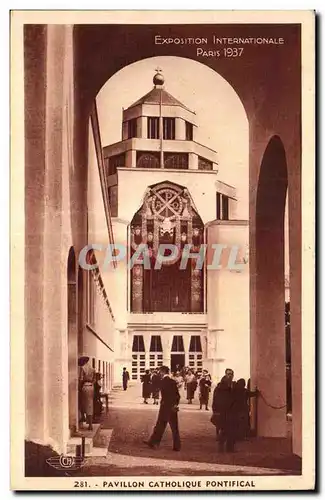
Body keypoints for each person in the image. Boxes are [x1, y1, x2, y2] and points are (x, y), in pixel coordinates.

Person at [144, 366, 181, 451]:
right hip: (172, 407)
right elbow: (177, 395)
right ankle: (176, 446)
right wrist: (175, 404)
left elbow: (155, 386)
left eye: (160, 371)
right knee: (173, 427)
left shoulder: (163, 381)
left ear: (163, 372)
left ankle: (153, 442)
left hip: (165, 406)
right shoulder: (172, 381)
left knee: (160, 425)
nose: (159, 373)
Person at [212, 375, 236, 452]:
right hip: (227, 413)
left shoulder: (218, 389)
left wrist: (215, 411)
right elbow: (231, 401)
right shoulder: (228, 390)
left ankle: (221, 446)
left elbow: (215, 400)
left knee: (223, 430)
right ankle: (229, 448)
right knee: (229, 430)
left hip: (220, 412)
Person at [79, 356, 95, 430]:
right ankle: (90, 424)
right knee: (90, 404)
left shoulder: (83, 368)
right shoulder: (92, 369)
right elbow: (94, 380)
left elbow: (81, 379)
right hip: (91, 386)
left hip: (85, 386)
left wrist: (79, 387)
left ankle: (83, 417)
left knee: (82, 403)